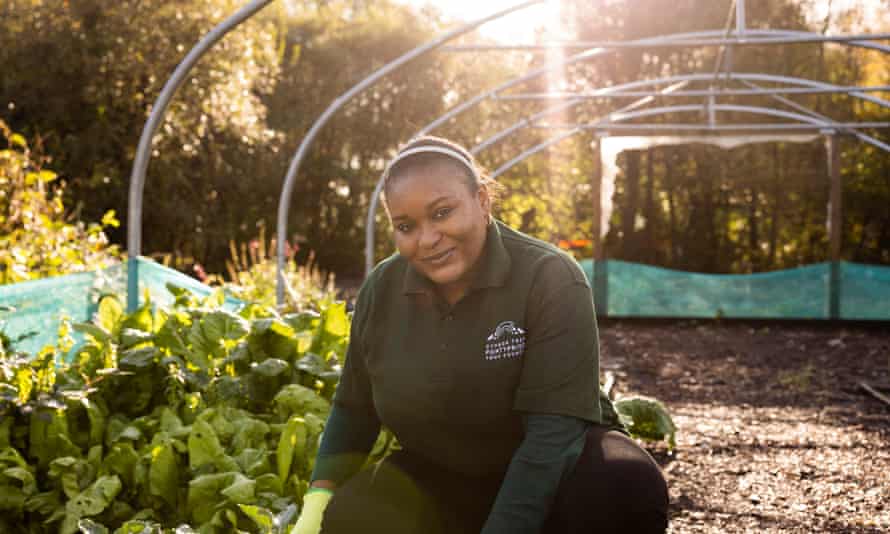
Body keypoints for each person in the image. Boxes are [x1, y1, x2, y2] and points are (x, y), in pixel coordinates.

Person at [290, 136, 669, 534]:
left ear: (483, 201)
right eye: (406, 226)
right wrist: (316, 505)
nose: (427, 239)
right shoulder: (380, 291)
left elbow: (552, 435)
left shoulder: (550, 277)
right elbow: (354, 409)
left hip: (557, 470)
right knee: (353, 516)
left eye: (442, 213)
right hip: (444, 474)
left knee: (625, 485)